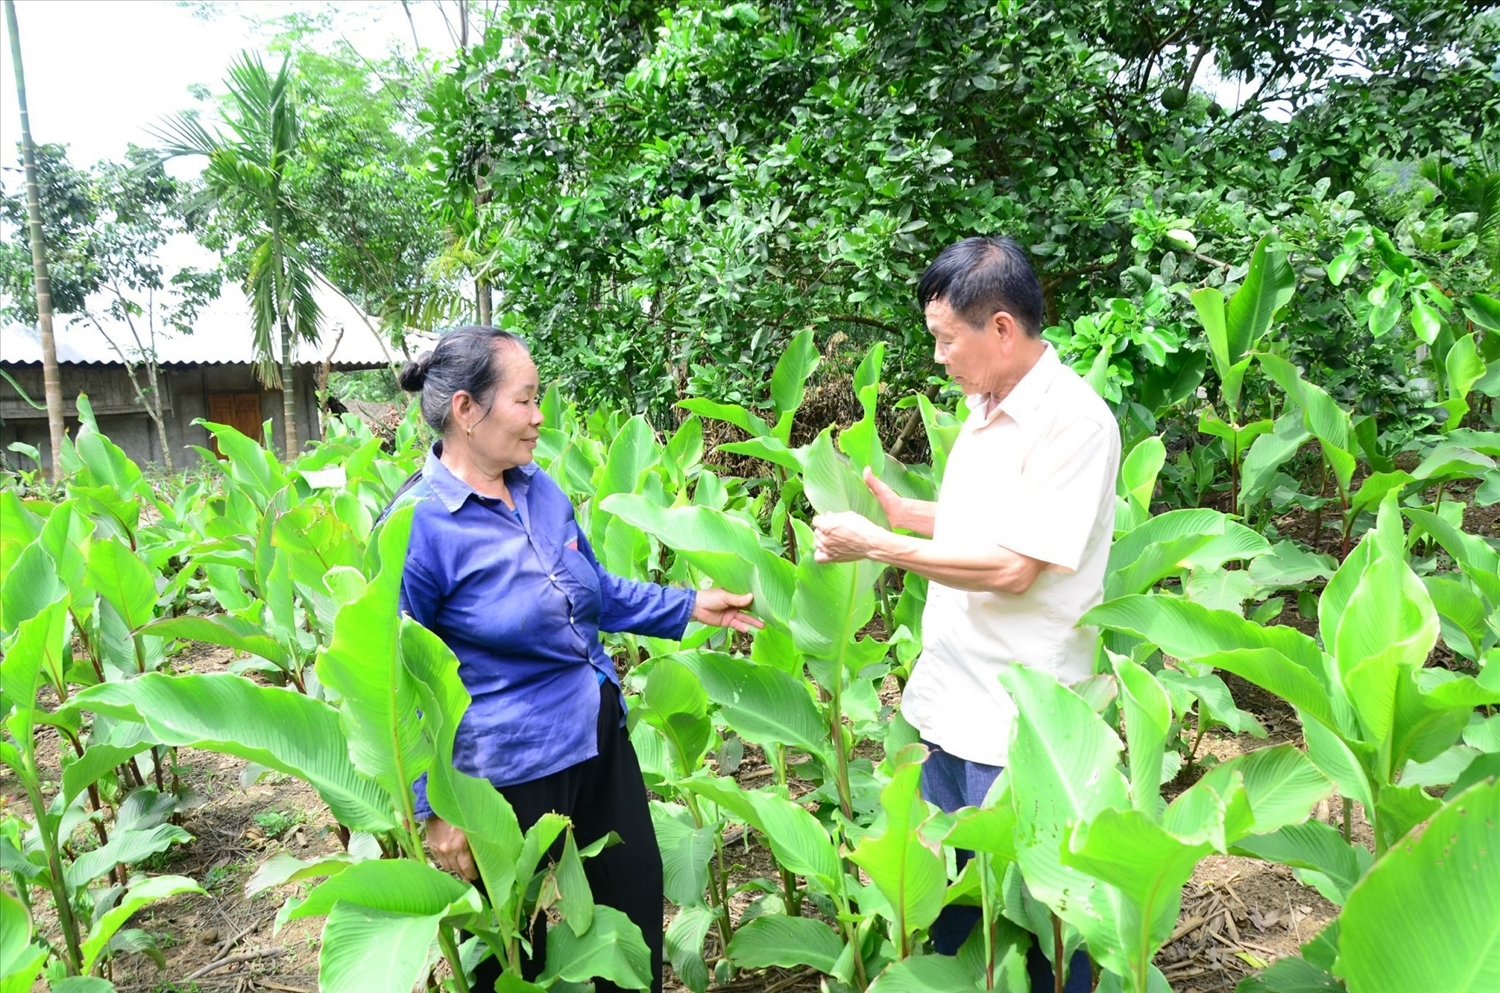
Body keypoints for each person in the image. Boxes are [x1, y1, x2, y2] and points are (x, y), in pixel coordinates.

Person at [391, 325, 763, 993]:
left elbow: (592, 590)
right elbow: (397, 678)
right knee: (512, 945)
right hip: (506, 771)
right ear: (466, 411)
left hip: (596, 735)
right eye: (525, 400)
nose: (539, 418)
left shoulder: (540, 491)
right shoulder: (417, 526)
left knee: (633, 908)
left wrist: (688, 606)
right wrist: (434, 806)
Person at [810, 236, 1119, 992]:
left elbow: (1017, 565)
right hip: (949, 705)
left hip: (1015, 725)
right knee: (951, 917)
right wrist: (913, 513)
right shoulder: (989, 406)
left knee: (1044, 925)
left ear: (1003, 328)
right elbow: (992, 521)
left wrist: (881, 546)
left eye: (948, 341)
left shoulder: (1074, 422)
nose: (941, 358)